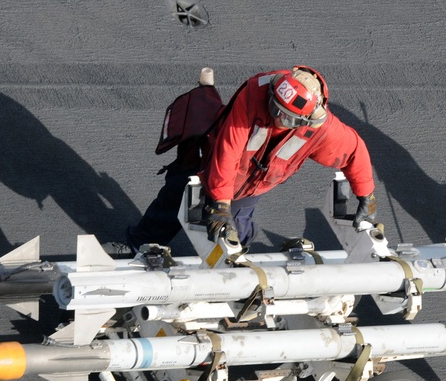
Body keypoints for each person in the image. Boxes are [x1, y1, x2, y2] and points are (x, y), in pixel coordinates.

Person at [125, 66, 377, 250]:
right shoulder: (254, 95)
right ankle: (139, 246)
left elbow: (354, 151)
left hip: (253, 184)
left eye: (286, 117)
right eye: (274, 107)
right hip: (210, 162)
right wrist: (220, 203)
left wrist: (367, 196)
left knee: (238, 228)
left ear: (306, 120)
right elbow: (228, 148)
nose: (277, 117)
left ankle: (238, 263)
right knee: (175, 200)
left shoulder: (322, 128)